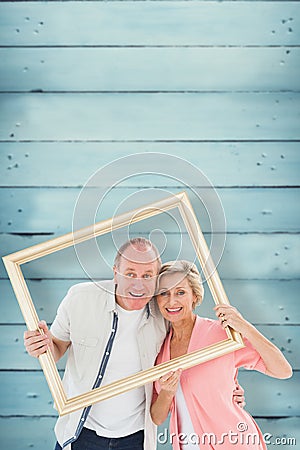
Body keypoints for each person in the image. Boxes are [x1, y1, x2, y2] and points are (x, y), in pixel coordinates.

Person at [24, 238, 245, 450]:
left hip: (136, 437)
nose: (138, 284)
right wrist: (42, 347)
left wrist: (227, 387)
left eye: (147, 275)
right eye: (130, 273)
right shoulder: (80, 298)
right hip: (80, 431)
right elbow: (56, 348)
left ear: (156, 278)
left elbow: (191, 347)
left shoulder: (164, 313)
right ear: (115, 273)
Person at [151, 260, 292, 450]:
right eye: (164, 293)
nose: (171, 301)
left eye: (180, 292)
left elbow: (282, 370)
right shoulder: (159, 350)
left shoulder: (220, 334)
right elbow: (157, 417)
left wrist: (244, 327)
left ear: (195, 296)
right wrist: (167, 391)